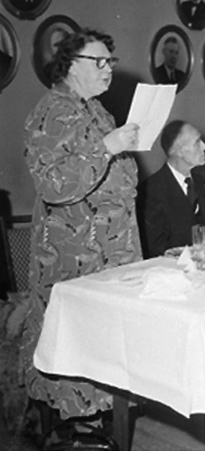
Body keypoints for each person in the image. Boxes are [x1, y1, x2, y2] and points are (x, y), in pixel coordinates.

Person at [21, 28, 141, 421]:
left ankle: (104, 418)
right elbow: (53, 185)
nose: (109, 69)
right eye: (99, 61)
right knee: (76, 345)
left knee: (105, 343)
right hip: (77, 253)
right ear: (72, 65)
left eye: (111, 61)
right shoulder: (52, 111)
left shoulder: (96, 109)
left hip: (111, 248)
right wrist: (108, 147)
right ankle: (74, 425)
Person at [138, 120, 205, 258]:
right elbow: (156, 247)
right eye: (197, 142)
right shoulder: (152, 189)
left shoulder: (199, 181)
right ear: (178, 152)